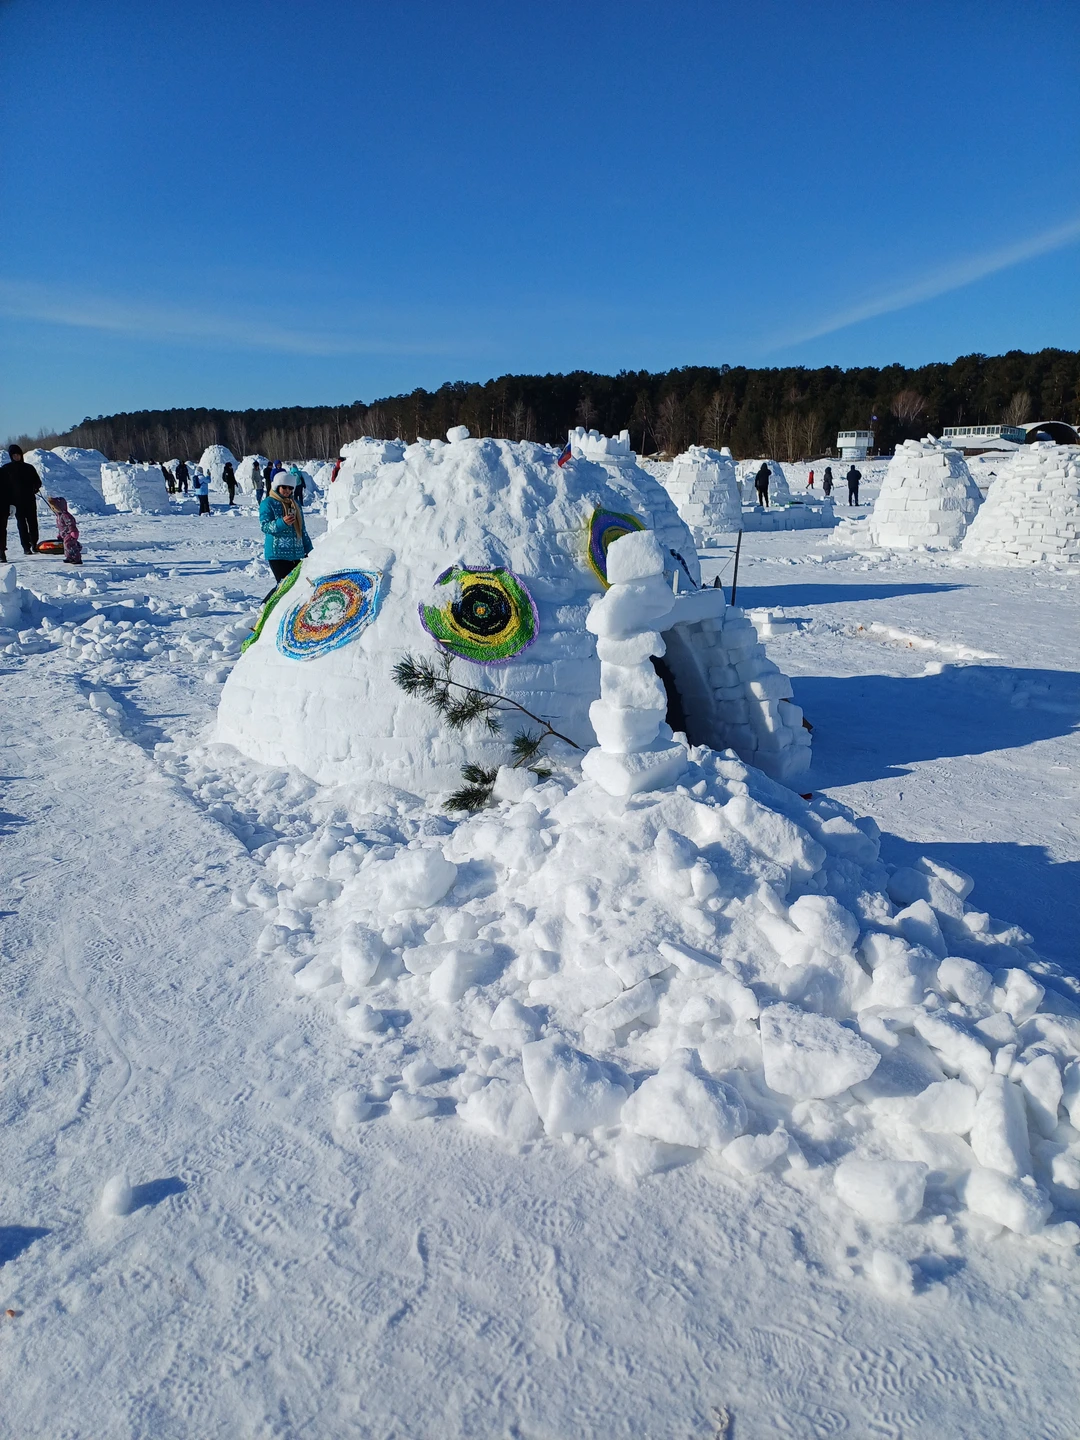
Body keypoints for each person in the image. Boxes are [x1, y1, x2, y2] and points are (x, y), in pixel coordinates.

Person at [259, 473, 312, 591]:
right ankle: (265, 607)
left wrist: (309, 550)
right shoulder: (268, 503)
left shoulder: (295, 504)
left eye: (290, 488)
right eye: (284, 487)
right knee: (283, 587)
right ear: (277, 486)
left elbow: (302, 529)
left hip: (297, 553)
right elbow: (265, 526)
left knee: (296, 587)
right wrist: (282, 522)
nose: (287, 491)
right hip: (278, 553)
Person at [0, 443, 42, 559]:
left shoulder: (29, 468)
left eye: (18, 455)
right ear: (11, 456)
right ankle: (26, 547)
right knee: (21, 524)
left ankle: (34, 543)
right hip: (16, 502)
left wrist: (35, 487)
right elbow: (4, 487)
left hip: (30, 500)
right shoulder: (6, 469)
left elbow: (38, 481)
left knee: (33, 523)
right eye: (14, 455)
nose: (16, 457)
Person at [46, 496, 82, 564]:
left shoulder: (66, 516)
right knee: (66, 546)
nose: (53, 509)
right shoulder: (59, 516)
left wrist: (73, 531)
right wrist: (60, 534)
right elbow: (61, 527)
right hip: (65, 534)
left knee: (70, 546)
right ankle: (69, 557)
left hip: (70, 533)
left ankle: (77, 559)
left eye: (54, 508)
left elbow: (71, 523)